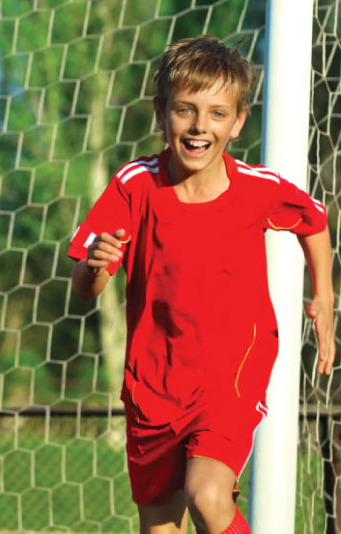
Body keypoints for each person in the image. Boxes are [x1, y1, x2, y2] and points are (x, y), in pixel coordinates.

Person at [68, 35, 335, 534]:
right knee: (160, 525)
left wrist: (323, 297)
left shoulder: (258, 189)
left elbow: (313, 221)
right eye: (185, 110)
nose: (198, 127)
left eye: (216, 113)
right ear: (160, 114)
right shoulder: (134, 185)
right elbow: (85, 285)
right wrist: (95, 266)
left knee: (207, 495)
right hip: (153, 378)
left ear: (237, 121)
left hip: (230, 370)